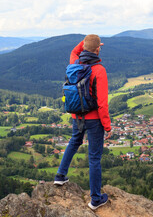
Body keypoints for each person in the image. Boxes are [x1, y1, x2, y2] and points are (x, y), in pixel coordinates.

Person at [54, 34, 112, 210]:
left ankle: (60, 175)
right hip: (94, 120)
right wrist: (108, 126)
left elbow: (74, 50)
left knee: (74, 142)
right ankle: (95, 199)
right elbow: (102, 104)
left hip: (76, 115)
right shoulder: (99, 70)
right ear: (98, 49)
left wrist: (85, 43)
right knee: (94, 157)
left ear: (84, 47)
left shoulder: (74, 63)